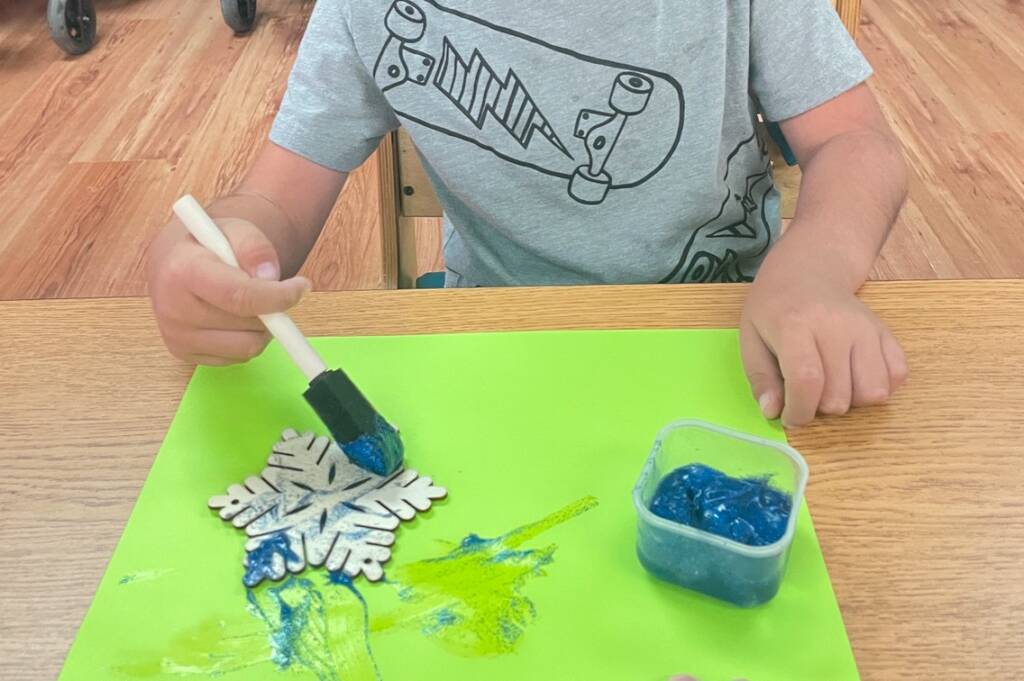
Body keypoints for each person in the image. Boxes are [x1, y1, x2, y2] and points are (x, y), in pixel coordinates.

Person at [149, 0, 909, 427]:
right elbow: (275, 200)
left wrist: (814, 269)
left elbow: (855, 142)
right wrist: (228, 250)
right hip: (497, 344)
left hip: (731, 336)